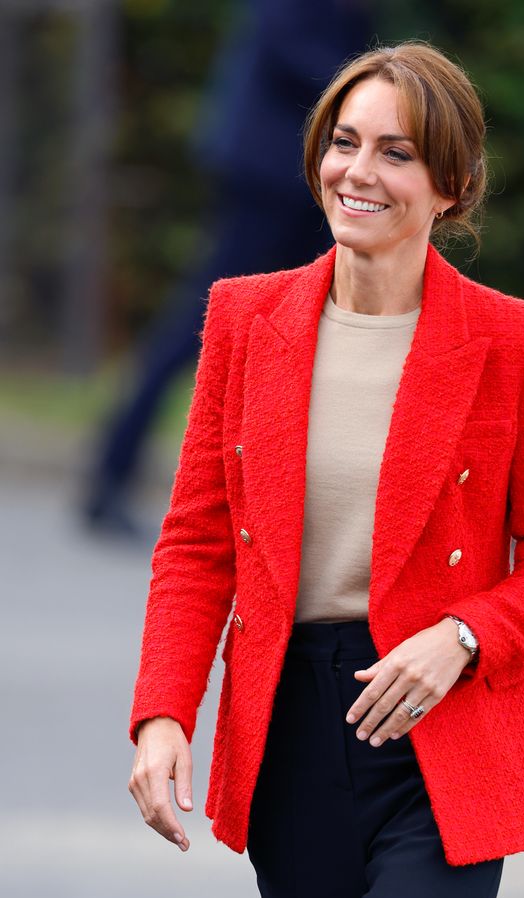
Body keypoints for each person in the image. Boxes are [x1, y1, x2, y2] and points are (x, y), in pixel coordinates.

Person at [127, 42, 524, 898]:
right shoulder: (243, 319)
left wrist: (464, 634)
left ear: (450, 185)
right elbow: (196, 545)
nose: (359, 170)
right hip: (292, 736)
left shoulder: (523, 343)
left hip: (442, 744)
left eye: (395, 152)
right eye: (343, 143)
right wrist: (164, 711)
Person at [82, 0, 370, 537]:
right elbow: (297, 55)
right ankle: (111, 473)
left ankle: (275, 506)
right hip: (269, 176)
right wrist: (378, 83)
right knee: (205, 319)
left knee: (306, 336)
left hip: (307, 178)